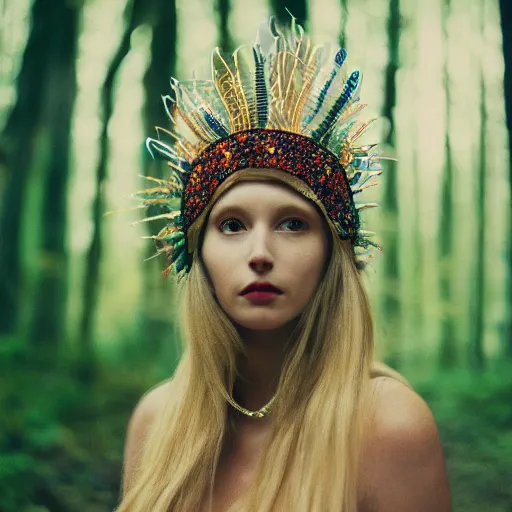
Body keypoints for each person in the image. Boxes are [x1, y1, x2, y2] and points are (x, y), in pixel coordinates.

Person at [117, 17, 452, 512]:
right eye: (231, 225)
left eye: (292, 224)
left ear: (330, 255)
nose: (259, 253)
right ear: (199, 253)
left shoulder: (390, 425)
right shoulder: (156, 419)